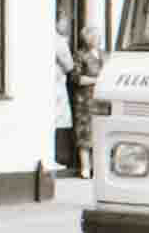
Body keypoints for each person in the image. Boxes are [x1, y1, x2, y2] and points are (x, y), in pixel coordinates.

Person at [73, 27, 105, 178]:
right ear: (88, 39)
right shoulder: (80, 55)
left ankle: (98, 167)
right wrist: (97, 80)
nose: (98, 39)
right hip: (85, 100)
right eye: (95, 37)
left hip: (102, 98)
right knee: (85, 133)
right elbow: (77, 78)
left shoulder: (104, 54)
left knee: (100, 131)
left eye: (99, 36)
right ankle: (85, 168)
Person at [51, 13, 74, 170]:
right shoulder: (58, 41)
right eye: (64, 22)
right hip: (57, 84)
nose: (66, 26)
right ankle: (57, 157)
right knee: (59, 119)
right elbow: (69, 65)